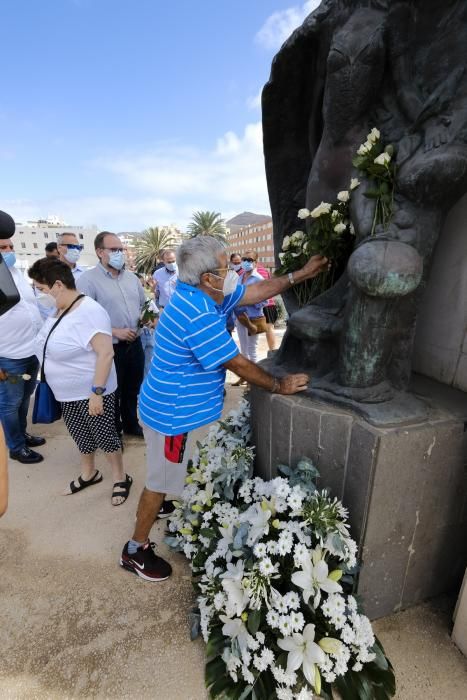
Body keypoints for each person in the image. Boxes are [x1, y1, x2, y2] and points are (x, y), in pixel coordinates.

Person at [120, 235, 327, 581]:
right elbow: (237, 363)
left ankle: (168, 500)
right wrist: (279, 385)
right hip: (172, 418)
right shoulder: (196, 313)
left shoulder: (205, 294)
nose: (232, 271)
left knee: (172, 474)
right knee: (158, 480)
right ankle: (135, 550)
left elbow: (253, 293)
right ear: (207, 278)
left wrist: (300, 275)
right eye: (225, 266)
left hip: (169, 407)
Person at [29, 258, 133, 505]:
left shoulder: (90, 312)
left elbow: (106, 353)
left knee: (106, 436)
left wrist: (97, 392)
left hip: (93, 392)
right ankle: (89, 474)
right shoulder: (58, 309)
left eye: (41, 289)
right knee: (81, 436)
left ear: (57, 285)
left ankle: (120, 477)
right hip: (66, 393)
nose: (38, 294)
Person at [76, 231, 146, 438]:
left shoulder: (132, 278)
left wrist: (147, 318)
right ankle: (114, 432)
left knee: (133, 388)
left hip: (135, 343)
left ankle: (131, 424)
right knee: (112, 393)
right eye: (113, 250)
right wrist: (115, 332)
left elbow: (143, 305)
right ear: (99, 252)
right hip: (109, 348)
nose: (119, 254)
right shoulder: (87, 281)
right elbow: (83, 319)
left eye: (121, 250)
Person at [0, 238, 45, 464]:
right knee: (9, 403)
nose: (9, 251)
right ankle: (16, 447)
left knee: (25, 398)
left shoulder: (16, 273)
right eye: (2, 248)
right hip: (8, 356)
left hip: (31, 351)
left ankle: (22, 435)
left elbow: (33, 307)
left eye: (10, 247)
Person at [234, 250, 266, 365]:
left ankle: (254, 379)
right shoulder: (239, 277)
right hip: (240, 317)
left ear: (256, 262)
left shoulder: (259, 279)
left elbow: (264, 301)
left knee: (252, 350)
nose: (246, 262)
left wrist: (250, 300)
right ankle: (245, 377)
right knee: (243, 350)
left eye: (250, 260)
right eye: (244, 259)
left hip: (253, 319)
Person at [256, 259, 279, 352]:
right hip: (269, 303)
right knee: (269, 329)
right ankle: (272, 351)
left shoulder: (251, 272)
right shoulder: (264, 270)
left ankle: (271, 351)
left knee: (262, 329)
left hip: (260, 304)